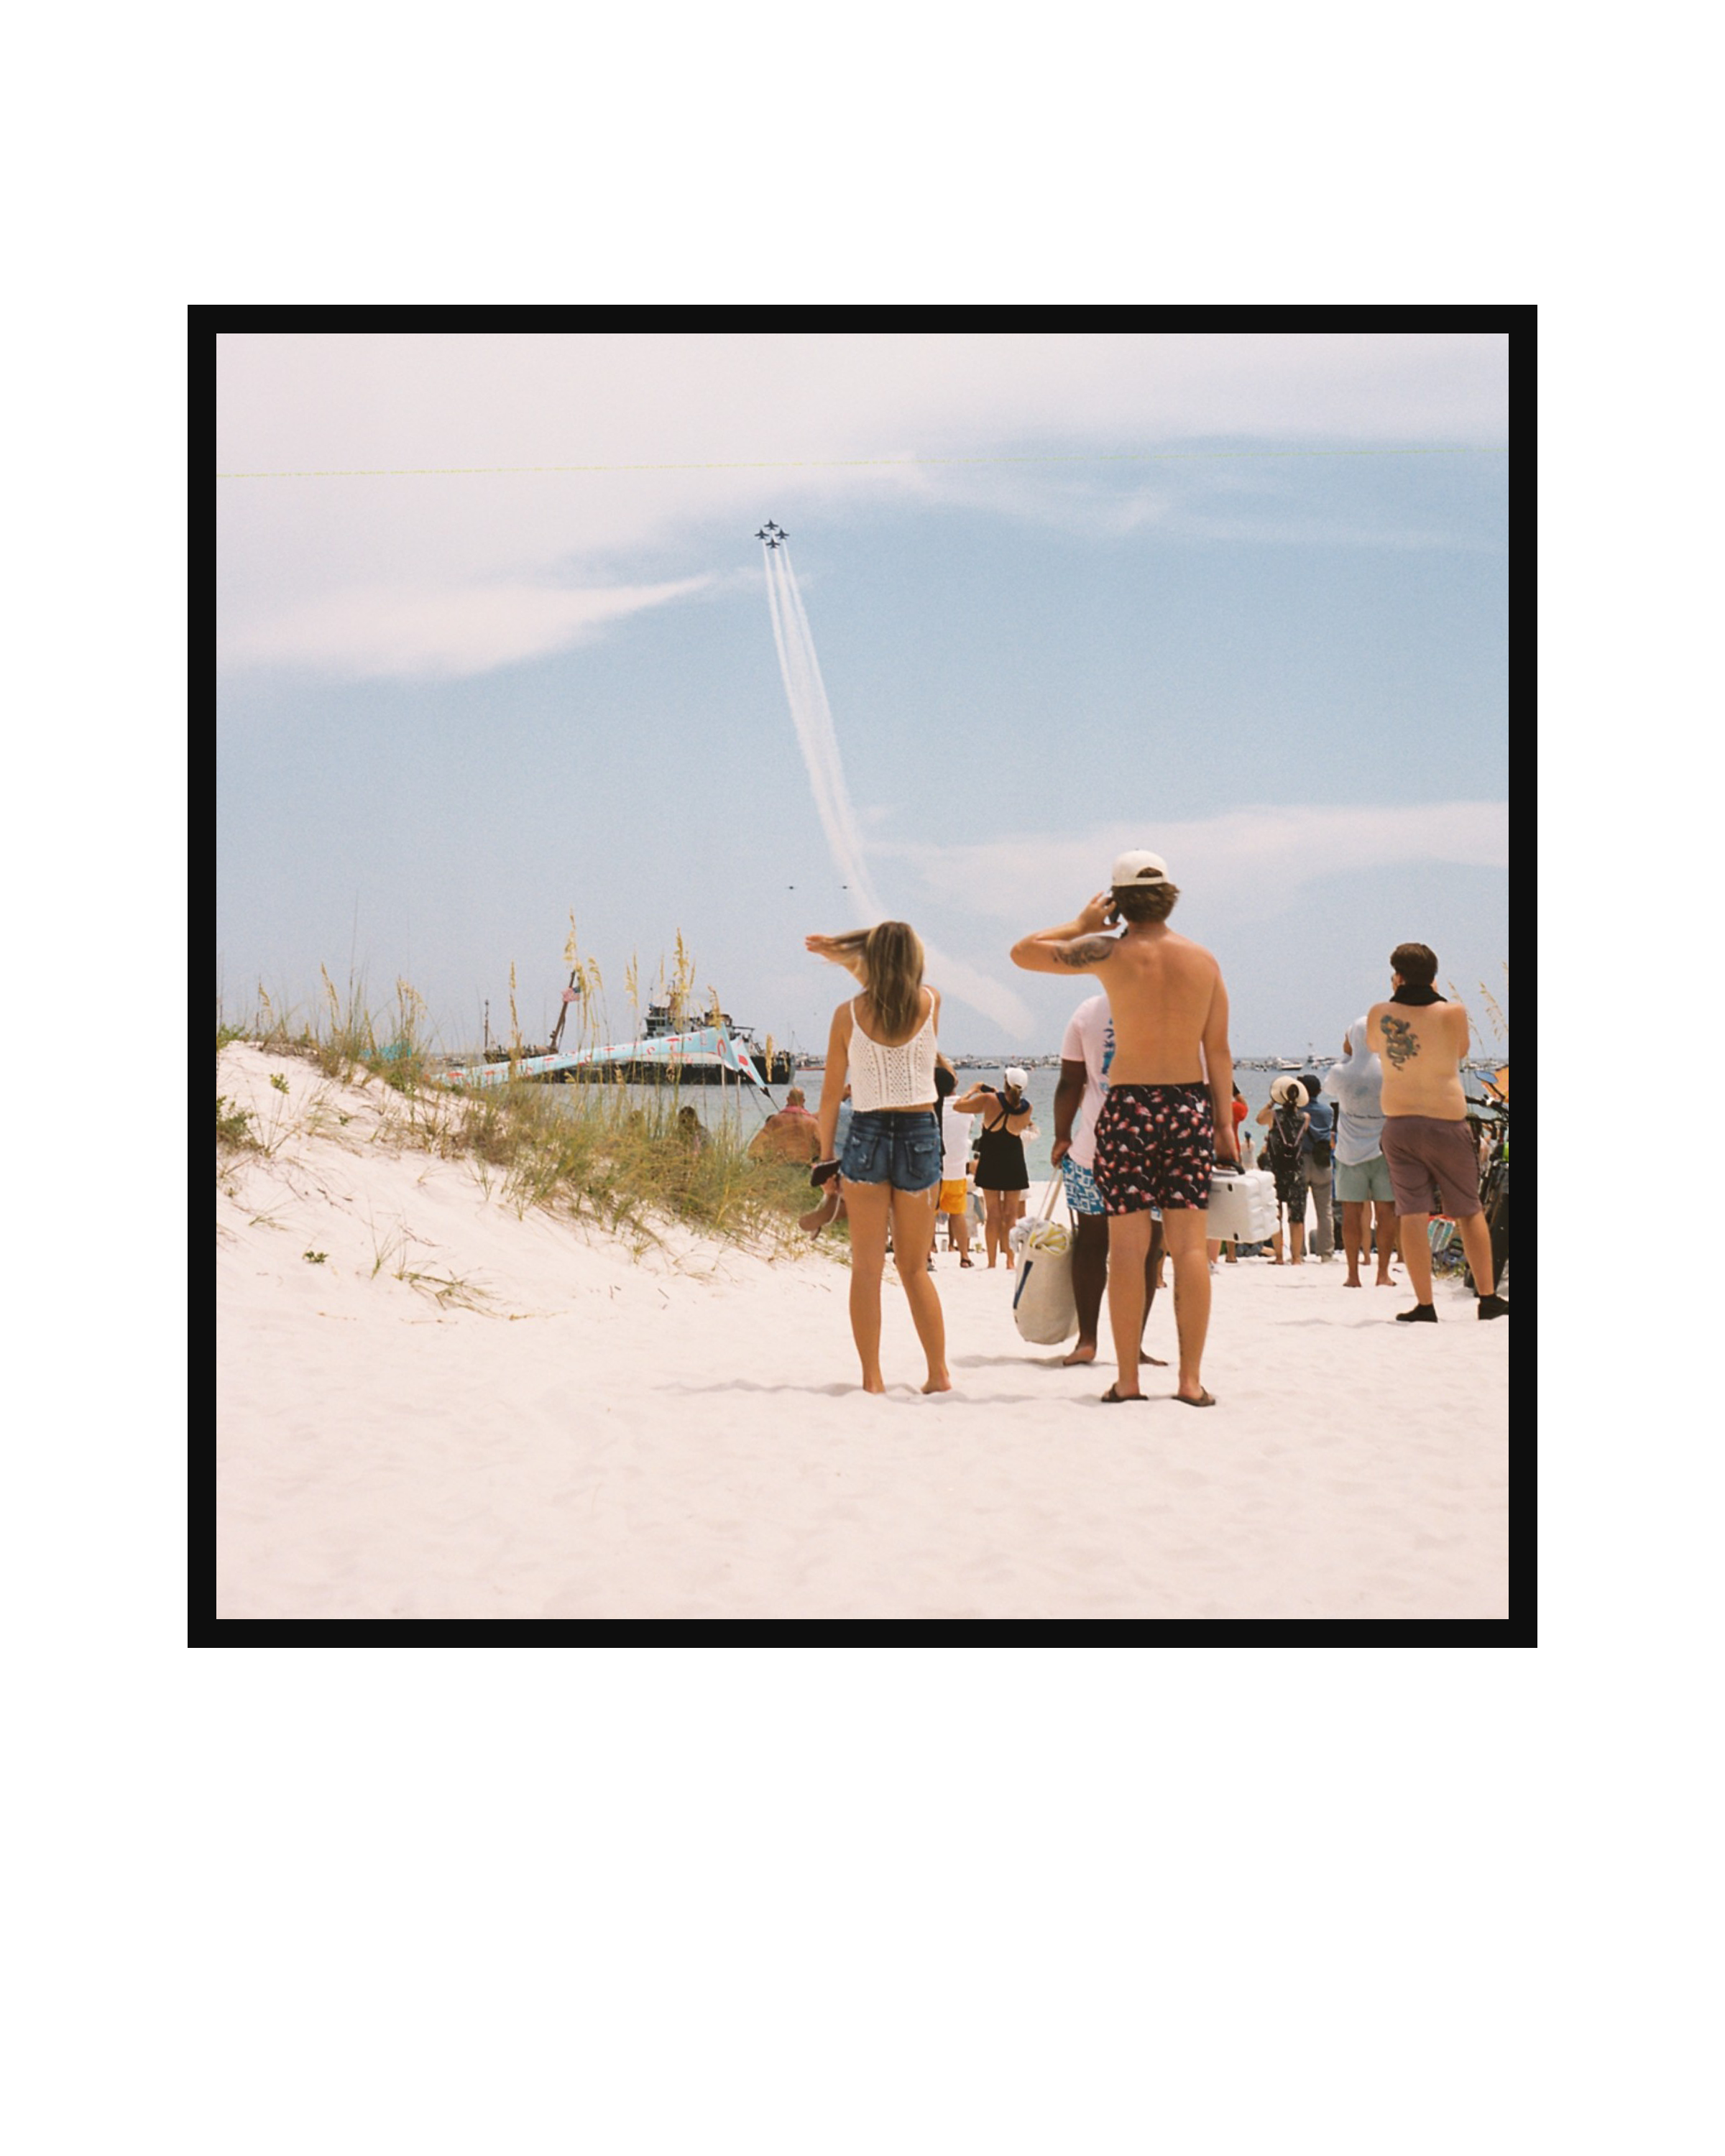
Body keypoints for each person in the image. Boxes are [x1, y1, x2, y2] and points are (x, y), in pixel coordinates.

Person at [1010, 849, 1236, 1406]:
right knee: (1186, 1251)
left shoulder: (1107, 952)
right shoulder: (1203, 961)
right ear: (1170, 895)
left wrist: (1083, 924)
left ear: (1119, 900)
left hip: (1129, 1108)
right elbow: (1219, 1050)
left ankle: (1129, 1379)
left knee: (1127, 1251)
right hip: (1188, 1106)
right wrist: (1226, 1134)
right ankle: (1189, 1381)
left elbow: (1022, 953)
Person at [806, 923, 951, 1391]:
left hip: (867, 1133)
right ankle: (938, 1374)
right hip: (919, 1135)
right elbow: (891, 981)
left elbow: (830, 1098)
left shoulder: (846, 1016)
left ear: (868, 959)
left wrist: (825, 1159)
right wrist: (854, 949)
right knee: (913, 1269)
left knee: (866, 1268)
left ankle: (872, 1378)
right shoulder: (930, 1004)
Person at [1366, 943, 1509, 1322]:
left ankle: (1425, 1304)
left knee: (1412, 1212)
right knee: (1468, 1209)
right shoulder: (1453, 1012)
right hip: (1447, 1121)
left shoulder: (1380, 1013)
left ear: (1397, 975)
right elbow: (1460, 1049)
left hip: (1400, 1123)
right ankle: (1488, 1297)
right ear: (1433, 976)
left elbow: (1373, 1044)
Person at [1051, 992, 1164, 1369]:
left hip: (1092, 1147)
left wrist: (1062, 1135)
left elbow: (1070, 1082)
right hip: (1154, 1146)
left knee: (1092, 1244)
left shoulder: (1087, 1011)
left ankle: (1087, 1340)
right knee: (1148, 1249)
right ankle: (1134, 1345)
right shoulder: (1167, 1003)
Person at [1328, 1019, 1397, 1288]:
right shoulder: (1388, 1069)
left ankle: (1353, 1275)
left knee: (1351, 1214)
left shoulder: (1341, 1072)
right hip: (1383, 1148)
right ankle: (1383, 1273)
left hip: (1348, 1151)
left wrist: (1347, 1054)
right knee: (1386, 1212)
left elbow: (1329, 1089)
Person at [952, 1067, 1034, 1268]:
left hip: (991, 1159)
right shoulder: (1027, 1107)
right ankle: (1010, 1260)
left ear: (1005, 1082)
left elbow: (958, 1106)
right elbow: (1020, 1120)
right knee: (1011, 1215)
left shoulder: (989, 1099)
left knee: (993, 1213)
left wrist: (973, 1089)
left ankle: (991, 1261)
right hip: (1014, 1160)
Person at [1256, 1079, 1310, 1262]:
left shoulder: (1273, 1116)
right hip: (1296, 1170)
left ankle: (1279, 1256)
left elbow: (1258, 1119)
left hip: (1275, 1170)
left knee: (1275, 1215)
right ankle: (1296, 1258)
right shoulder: (1305, 1118)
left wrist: (1272, 1101)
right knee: (1297, 1218)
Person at [934, 1057, 976, 1266]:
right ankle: (965, 1256)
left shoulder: (933, 1107)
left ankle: (928, 1254)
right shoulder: (965, 1109)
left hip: (936, 1171)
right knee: (958, 1215)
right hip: (957, 1171)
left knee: (927, 1215)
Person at [1208, 1082, 1251, 1265]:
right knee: (1228, 1205)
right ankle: (1230, 1254)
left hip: (1206, 1155)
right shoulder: (1231, 1109)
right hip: (1229, 1156)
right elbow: (1245, 1106)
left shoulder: (1203, 1108)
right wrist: (1234, 1090)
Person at [1297, 1069, 1338, 1260]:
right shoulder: (1328, 1111)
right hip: (1322, 1162)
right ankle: (1326, 1253)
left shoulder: (1296, 1113)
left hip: (1301, 1161)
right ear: (1319, 1091)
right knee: (1325, 1211)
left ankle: (1299, 1251)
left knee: (1299, 1211)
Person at [747, 1084, 822, 1164]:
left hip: (780, 1166)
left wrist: (762, 1162)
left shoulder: (776, 1120)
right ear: (803, 1101)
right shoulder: (812, 1123)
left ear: (788, 1100)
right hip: (804, 1166)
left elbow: (755, 1147)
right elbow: (823, 1148)